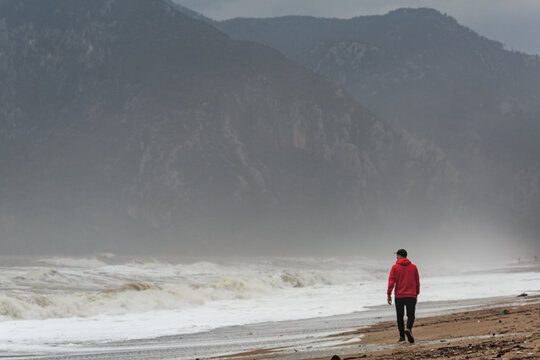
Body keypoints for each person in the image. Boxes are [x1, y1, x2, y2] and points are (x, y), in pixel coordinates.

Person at [387, 249, 420, 343]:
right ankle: (408, 328)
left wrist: (388, 294)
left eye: (397, 255)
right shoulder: (414, 267)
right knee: (411, 315)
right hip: (411, 295)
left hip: (399, 296)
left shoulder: (395, 267)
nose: (396, 257)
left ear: (400, 256)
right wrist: (416, 293)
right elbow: (417, 282)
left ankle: (402, 337)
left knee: (400, 317)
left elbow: (391, 282)